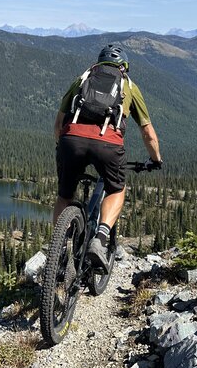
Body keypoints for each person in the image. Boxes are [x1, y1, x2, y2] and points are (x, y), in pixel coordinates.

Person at [53, 43, 163, 272]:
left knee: (64, 196)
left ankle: (59, 251)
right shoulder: (128, 86)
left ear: (99, 63)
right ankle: (101, 239)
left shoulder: (82, 79)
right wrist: (155, 159)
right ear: (124, 66)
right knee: (116, 189)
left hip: (70, 141)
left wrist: (61, 147)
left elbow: (59, 122)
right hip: (108, 145)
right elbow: (148, 133)